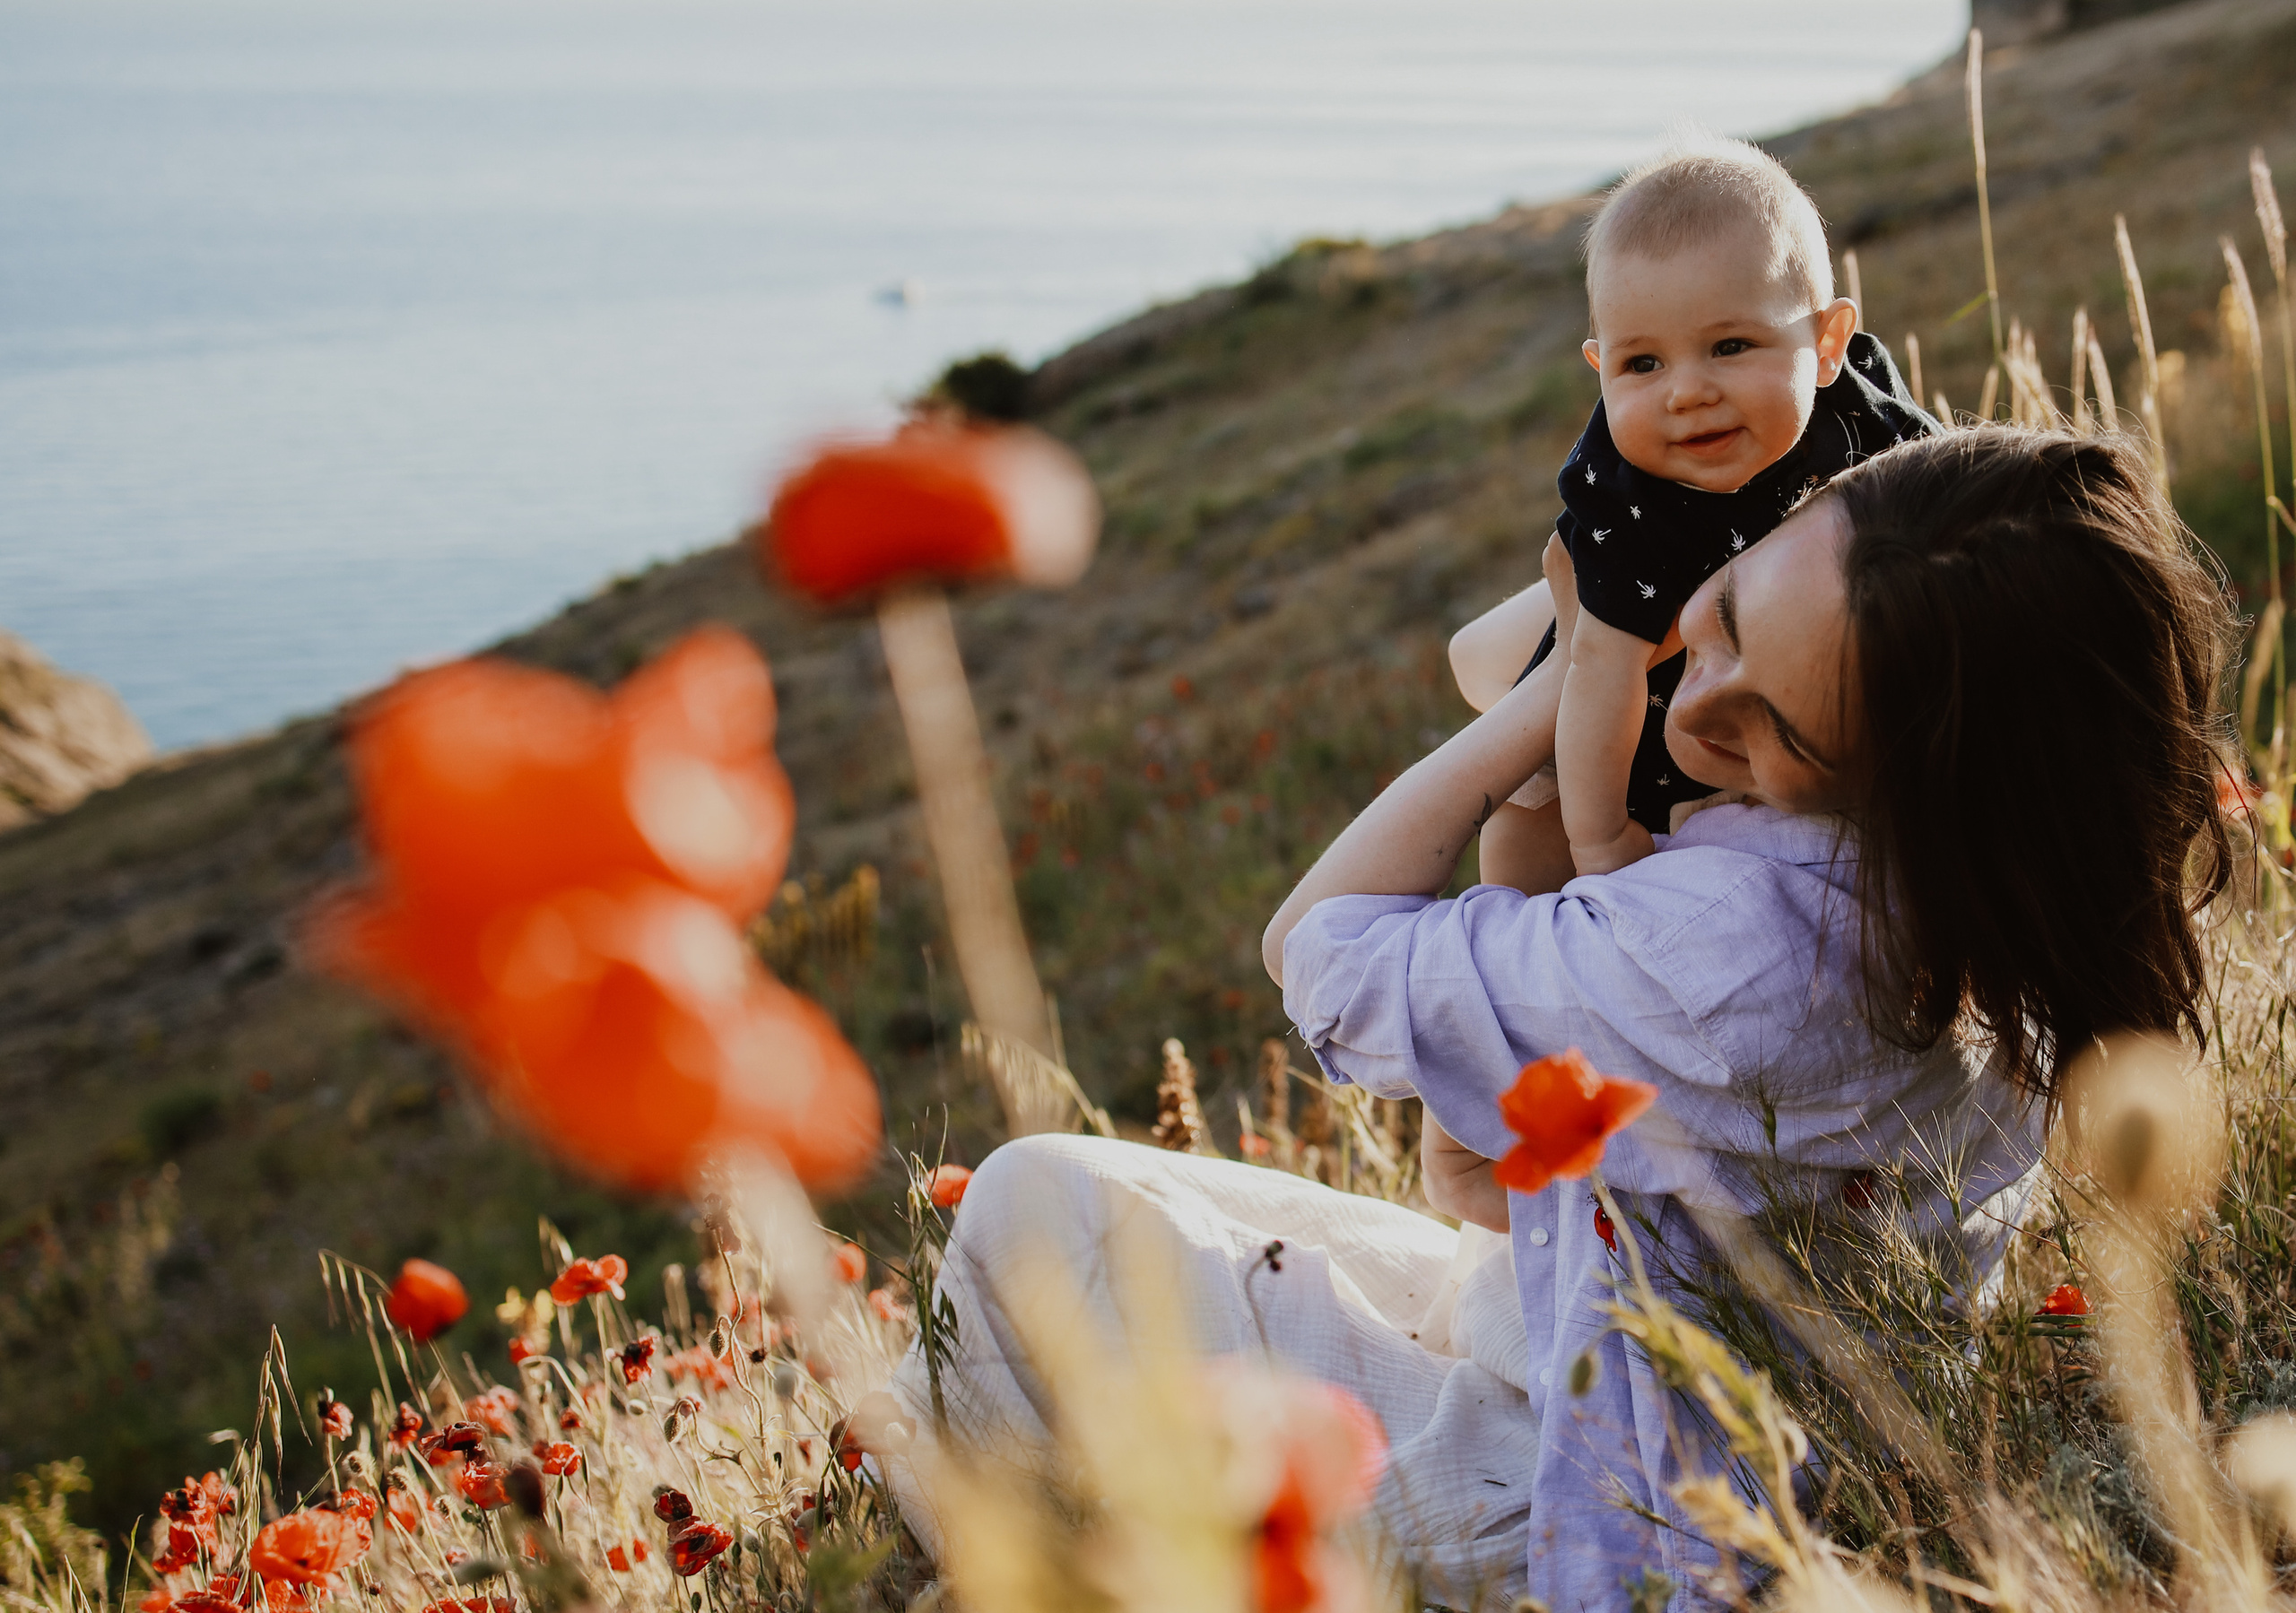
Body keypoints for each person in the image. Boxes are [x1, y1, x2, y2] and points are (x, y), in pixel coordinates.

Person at [887, 429, 2235, 1610]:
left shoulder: (1731, 951)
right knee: (1182, 1238)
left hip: (1568, 1506)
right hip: (1660, 1380)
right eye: (1724, 612)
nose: (1698, 706)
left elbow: (1318, 950)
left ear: (1904, 772)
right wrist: (1622, 631)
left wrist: (1552, 704)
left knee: (1025, 1204)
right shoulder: (1999, 900)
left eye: (1773, 729)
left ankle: (985, 1565)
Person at [1452, 137, 1932, 894]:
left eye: (1730, 346)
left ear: (1828, 342)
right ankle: (1513, 941)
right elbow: (1599, 671)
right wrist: (1602, 838)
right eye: (1642, 364)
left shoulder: (1867, 430)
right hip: (1623, 720)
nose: (1686, 392)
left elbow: (1964, 521)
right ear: (1599, 367)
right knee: (1527, 811)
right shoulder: (1623, 495)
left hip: (1785, 711)